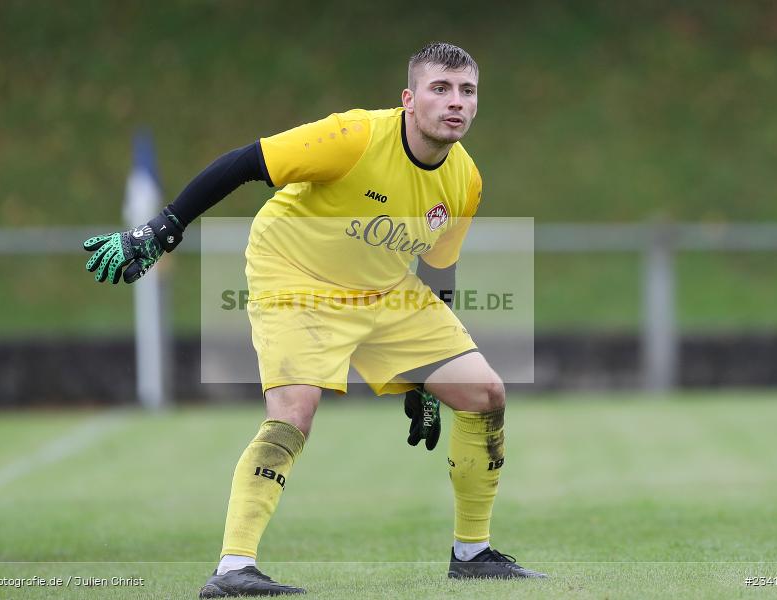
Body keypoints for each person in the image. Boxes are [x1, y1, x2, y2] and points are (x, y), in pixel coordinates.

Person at [83, 41, 546, 598]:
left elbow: (440, 270)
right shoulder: (353, 138)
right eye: (439, 89)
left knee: (485, 394)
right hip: (294, 278)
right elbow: (245, 162)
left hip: (384, 291)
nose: (455, 103)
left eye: (466, 91)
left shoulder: (464, 181)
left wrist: (425, 378)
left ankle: (472, 554)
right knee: (293, 414)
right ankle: (233, 570)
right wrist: (161, 229)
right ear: (408, 99)